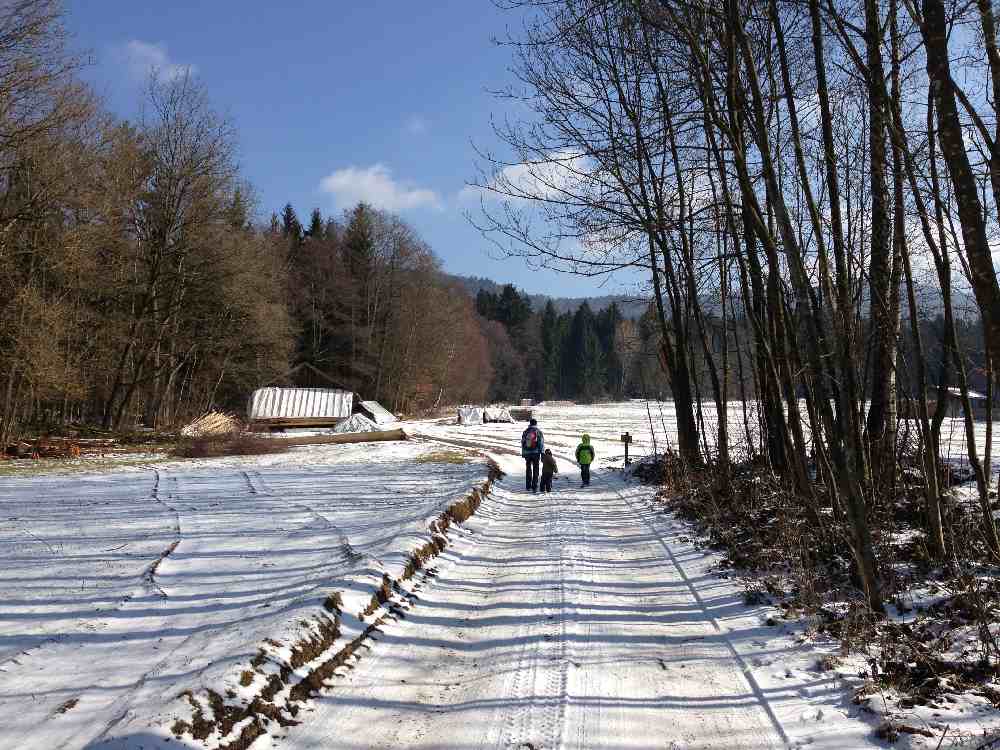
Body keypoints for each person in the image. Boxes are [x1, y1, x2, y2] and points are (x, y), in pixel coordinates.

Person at [521, 418, 544, 492]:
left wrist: (524, 453)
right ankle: (534, 486)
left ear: (530, 424)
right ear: (536, 424)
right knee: (536, 469)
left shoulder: (525, 432)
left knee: (528, 469)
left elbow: (523, 442)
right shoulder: (538, 431)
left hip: (527, 453)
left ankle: (528, 486)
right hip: (536, 453)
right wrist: (542, 452)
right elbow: (541, 443)